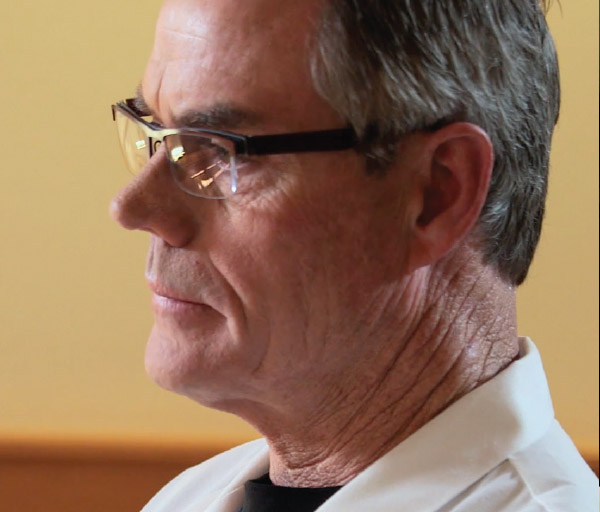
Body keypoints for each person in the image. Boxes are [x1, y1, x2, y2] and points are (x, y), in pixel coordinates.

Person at [109, 0, 598, 510]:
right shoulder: (186, 498)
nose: (133, 206)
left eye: (218, 149)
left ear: (436, 195)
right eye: (156, 132)